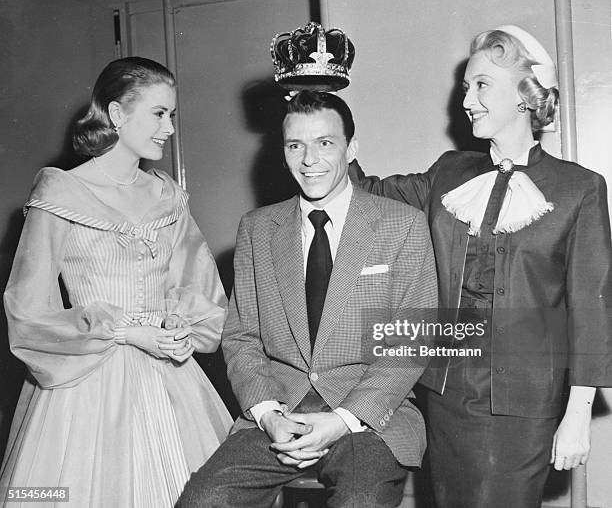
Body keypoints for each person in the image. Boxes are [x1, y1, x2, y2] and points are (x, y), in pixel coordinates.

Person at [350, 26, 612, 508]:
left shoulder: (580, 188)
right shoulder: (448, 171)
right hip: (448, 391)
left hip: (526, 401)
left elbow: (592, 310)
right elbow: (368, 192)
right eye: (466, 86)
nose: (466, 99)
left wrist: (579, 412)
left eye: (481, 85)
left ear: (526, 94)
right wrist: (328, 125)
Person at [177, 90, 437, 508]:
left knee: (359, 501)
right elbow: (242, 337)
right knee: (203, 500)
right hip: (278, 413)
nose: (309, 159)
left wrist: (340, 421)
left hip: (368, 417)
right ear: (283, 153)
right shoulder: (258, 229)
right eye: (295, 145)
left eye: (325, 143)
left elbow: (411, 343)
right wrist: (268, 415)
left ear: (352, 148)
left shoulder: (401, 225)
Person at [0, 57, 232, 507]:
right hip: (82, 383)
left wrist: (180, 328)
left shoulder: (168, 197)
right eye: (158, 114)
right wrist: (127, 333)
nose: (168, 128)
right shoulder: (59, 193)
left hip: (171, 380)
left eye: (172, 115)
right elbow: (27, 312)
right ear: (118, 114)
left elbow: (199, 287)